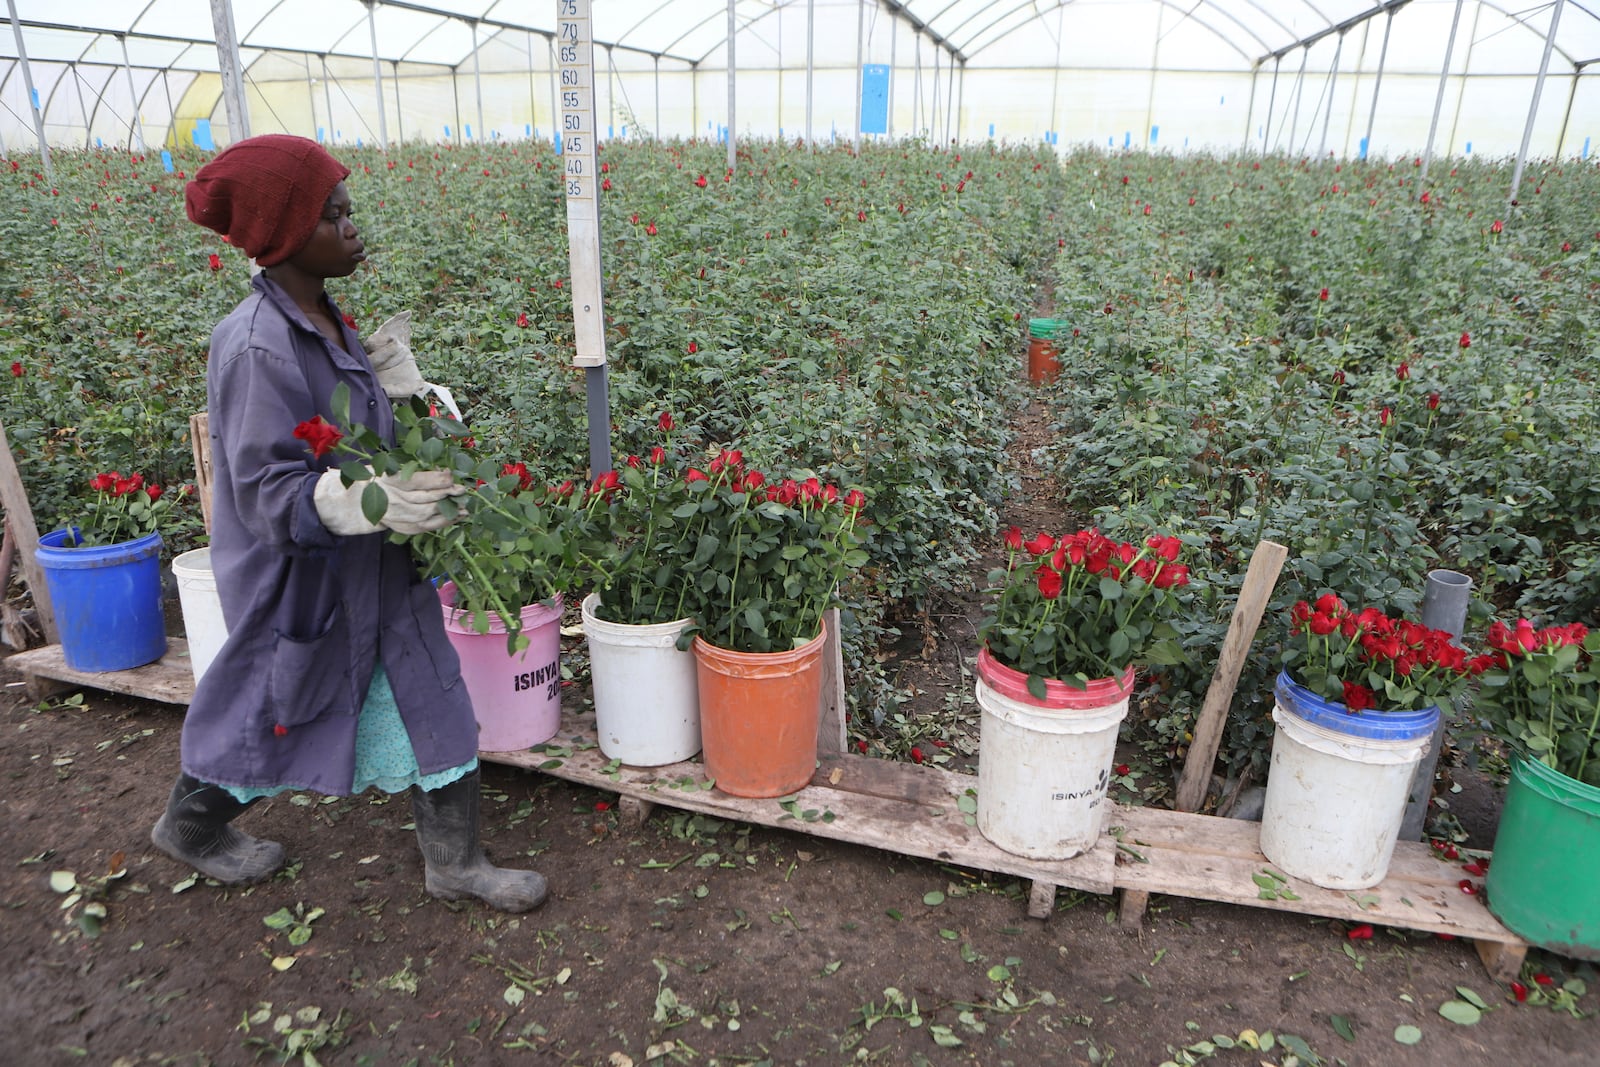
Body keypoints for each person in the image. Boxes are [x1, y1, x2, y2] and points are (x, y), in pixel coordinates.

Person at [150, 134, 545, 912]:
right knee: (274, 712)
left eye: (349, 210)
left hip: (378, 571)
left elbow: (359, 436)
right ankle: (190, 827)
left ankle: (455, 861)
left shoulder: (328, 320)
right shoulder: (258, 347)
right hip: (307, 585)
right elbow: (267, 494)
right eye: (336, 215)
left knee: (435, 696)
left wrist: (398, 397)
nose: (354, 227)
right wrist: (358, 502)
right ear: (290, 235)